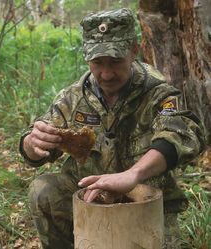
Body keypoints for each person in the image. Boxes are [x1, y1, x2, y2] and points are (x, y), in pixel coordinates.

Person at [19, 8, 205, 249]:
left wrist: (132, 175)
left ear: (134, 51)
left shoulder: (158, 94)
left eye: (115, 61)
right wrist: (32, 144)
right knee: (42, 189)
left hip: (146, 204)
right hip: (89, 201)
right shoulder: (73, 98)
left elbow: (180, 135)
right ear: (87, 57)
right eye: (97, 62)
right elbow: (34, 149)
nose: (106, 74)